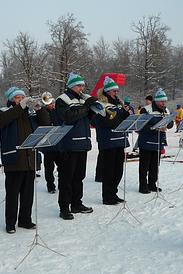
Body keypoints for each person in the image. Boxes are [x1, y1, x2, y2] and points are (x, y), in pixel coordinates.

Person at [0, 87, 49, 233]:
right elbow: (2, 122)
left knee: (28, 193)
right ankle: (10, 223)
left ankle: (25, 219)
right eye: (18, 98)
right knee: (13, 194)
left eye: (22, 97)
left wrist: (39, 109)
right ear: (12, 99)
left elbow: (45, 122)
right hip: (14, 159)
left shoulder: (29, 113)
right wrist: (21, 106)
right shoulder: (4, 112)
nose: (21, 100)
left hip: (29, 159)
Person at [55, 72, 97, 220]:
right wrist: (86, 107)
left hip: (82, 143)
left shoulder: (82, 99)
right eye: (79, 86)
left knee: (79, 176)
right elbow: (68, 117)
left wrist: (93, 108)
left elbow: (88, 119)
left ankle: (77, 203)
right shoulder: (62, 99)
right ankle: (64, 207)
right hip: (69, 144)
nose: (82, 88)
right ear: (72, 86)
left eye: (82, 86)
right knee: (67, 178)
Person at [93, 76, 130, 205]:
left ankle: (113, 193)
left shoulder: (118, 104)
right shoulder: (100, 104)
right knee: (109, 170)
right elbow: (102, 122)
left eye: (117, 91)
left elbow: (121, 120)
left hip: (119, 139)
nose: (116, 93)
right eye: (114, 91)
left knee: (118, 169)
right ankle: (107, 196)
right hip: (108, 141)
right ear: (107, 91)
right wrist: (117, 118)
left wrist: (126, 113)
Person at [137, 89, 173, 193]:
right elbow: (141, 126)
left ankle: (152, 184)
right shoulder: (146, 109)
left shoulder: (166, 110)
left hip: (158, 141)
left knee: (155, 165)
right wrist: (155, 128)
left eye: (165, 101)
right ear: (156, 101)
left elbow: (170, 124)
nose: (164, 103)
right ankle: (143, 186)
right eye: (162, 101)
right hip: (146, 142)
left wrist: (167, 124)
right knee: (144, 166)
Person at [39, 92, 63, 194]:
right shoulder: (43, 112)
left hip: (58, 145)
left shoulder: (56, 112)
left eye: (53, 103)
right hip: (48, 146)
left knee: (62, 166)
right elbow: (45, 123)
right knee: (49, 168)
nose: (52, 105)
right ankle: (50, 186)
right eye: (50, 103)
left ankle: (61, 184)